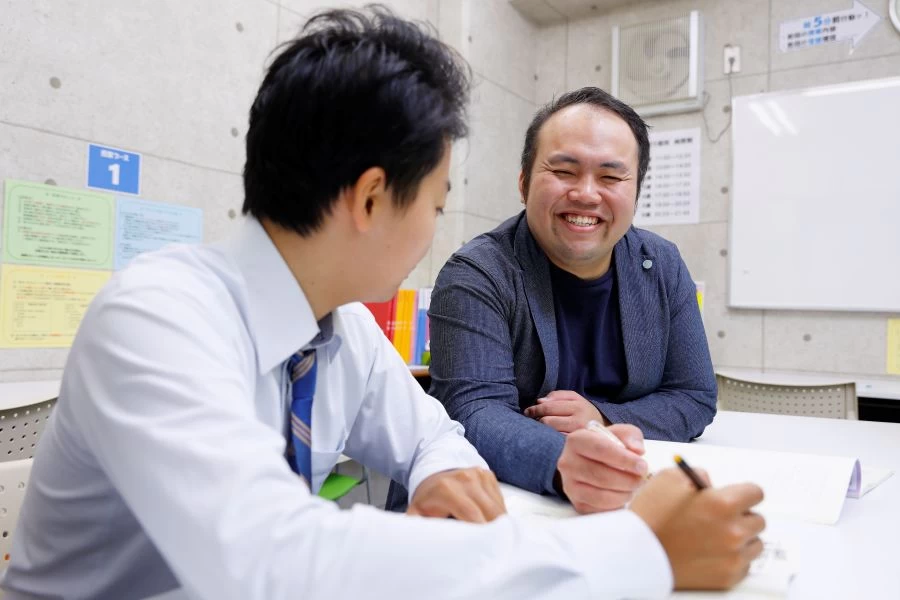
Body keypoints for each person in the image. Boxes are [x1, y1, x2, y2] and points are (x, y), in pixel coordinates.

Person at [2, 9, 763, 600]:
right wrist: (639, 550)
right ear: (371, 198)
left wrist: (442, 477)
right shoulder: (158, 320)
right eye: (436, 204)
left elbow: (435, 433)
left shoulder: (339, 333)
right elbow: (274, 561)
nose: (437, 230)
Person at [388, 87, 717, 515]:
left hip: (623, 498)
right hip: (494, 503)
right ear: (524, 183)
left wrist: (601, 417)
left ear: (636, 191)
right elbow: (472, 410)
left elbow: (693, 395)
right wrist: (566, 460)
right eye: (564, 170)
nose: (586, 194)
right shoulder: (477, 272)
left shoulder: (662, 264)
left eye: (611, 177)